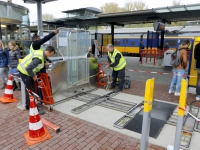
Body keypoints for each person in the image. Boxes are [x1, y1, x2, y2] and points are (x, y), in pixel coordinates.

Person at [17, 46, 56, 113]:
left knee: (30, 90)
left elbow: (37, 64)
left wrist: (45, 64)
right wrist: (34, 76)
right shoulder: (39, 58)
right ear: (48, 52)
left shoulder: (40, 53)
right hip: (25, 73)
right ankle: (34, 109)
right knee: (31, 91)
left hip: (26, 72)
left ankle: (28, 106)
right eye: (51, 54)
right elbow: (29, 68)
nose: (50, 56)